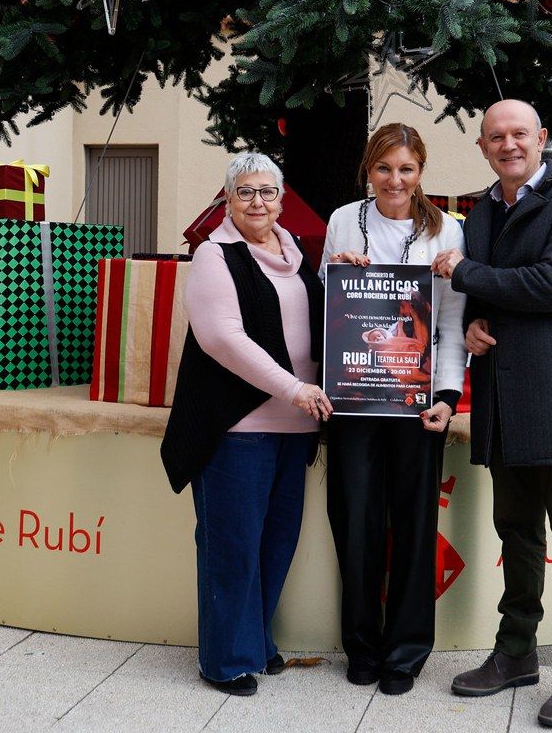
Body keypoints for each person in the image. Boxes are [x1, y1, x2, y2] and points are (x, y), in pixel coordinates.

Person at [431, 100, 552, 729]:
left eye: (518, 134)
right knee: (517, 533)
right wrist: (477, 316)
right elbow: (483, 292)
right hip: (503, 400)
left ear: (541, 138)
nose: (508, 145)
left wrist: (469, 275)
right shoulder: (481, 212)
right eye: (495, 137)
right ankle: (514, 655)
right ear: (483, 147)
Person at [160, 152, 333, 697]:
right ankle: (226, 660)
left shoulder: (296, 251)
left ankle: (257, 643)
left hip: (296, 427)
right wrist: (294, 388)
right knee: (232, 546)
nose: (258, 202)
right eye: (246, 192)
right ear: (228, 199)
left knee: (274, 545)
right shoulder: (216, 254)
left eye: (267, 192)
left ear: (281, 199)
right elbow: (221, 338)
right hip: (237, 426)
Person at [320, 122, 468, 696]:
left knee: (413, 524)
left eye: (406, 169)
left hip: (417, 400)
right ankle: (361, 644)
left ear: (420, 171)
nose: (395, 180)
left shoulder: (447, 229)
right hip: (355, 395)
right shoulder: (342, 219)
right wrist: (338, 273)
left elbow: (453, 320)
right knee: (354, 520)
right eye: (384, 168)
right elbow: (327, 304)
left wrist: (448, 396)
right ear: (368, 169)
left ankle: (405, 652)